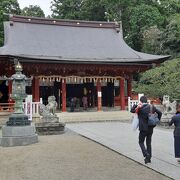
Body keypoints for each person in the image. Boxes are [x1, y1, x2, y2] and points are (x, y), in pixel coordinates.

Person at [131, 96, 162, 164]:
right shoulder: (152, 107)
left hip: (143, 128)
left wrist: (136, 105)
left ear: (141, 101)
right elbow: (160, 113)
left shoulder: (140, 108)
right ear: (147, 101)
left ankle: (146, 154)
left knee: (141, 142)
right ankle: (149, 159)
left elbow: (132, 110)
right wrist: (157, 120)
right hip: (150, 127)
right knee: (148, 143)